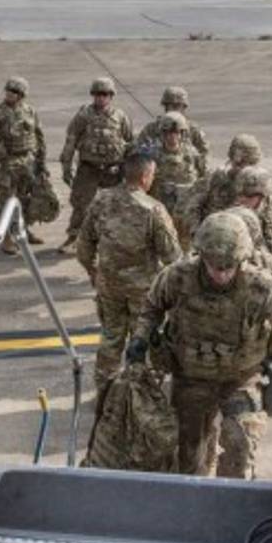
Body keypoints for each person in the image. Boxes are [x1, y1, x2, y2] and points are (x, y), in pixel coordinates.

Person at [126, 213, 272, 478]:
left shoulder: (262, 288)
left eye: (230, 266)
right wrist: (140, 338)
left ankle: (232, 498)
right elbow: (152, 307)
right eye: (215, 266)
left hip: (240, 379)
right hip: (191, 378)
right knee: (189, 457)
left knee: (239, 443)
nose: (222, 273)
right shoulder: (178, 277)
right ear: (201, 256)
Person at [77, 147, 182, 395]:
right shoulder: (153, 209)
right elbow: (172, 256)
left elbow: (83, 244)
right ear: (145, 176)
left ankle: (105, 391)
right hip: (142, 290)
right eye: (152, 175)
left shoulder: (101, 200)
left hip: (109, 285)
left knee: (111, 336)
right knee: (143, 339)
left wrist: (93, 273)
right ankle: (143, 393)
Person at [57, 77, 133, 254]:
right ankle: (74, 237)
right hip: (89, 168)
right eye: (97, 94)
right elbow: (71, 140)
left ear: (111, 96)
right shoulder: (84, 115)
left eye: (105, 94)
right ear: (93, 95)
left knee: (116, 206)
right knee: (81, 205)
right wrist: (66, 167)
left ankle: (115, 240)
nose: (101, 98)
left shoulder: (120, 116)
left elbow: (129, 142)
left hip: (112, 171)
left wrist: (128, 171)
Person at [0, 76, 47, 254]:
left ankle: (22, 231)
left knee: (25, 199)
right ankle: (6, 238)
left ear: (22, 95)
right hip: (9, 163)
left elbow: (39, 135)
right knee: (7, 200)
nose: (10, 94)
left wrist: (42, 161)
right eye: (8, 91)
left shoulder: (29, 111)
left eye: (15, 92)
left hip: (28, 162)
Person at [175, 133, 262, 247]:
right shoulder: (215, 179)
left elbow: (269, 215)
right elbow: (191, 205)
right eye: (241, 164)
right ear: (232, 159)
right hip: (213, 241)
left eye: (251, 164)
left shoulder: (258, 182)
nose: (245, 169)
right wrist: (197, 234)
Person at [231, 165, 272, 262]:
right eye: (239, 194)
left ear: (263, 196)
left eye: (249, 195)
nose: (242, 199)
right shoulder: (230, 219)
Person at [138, 86, 210, 174]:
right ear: (165, 107)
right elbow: (138, 153)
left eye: (178, 106)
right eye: (171, 106)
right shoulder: (152, 128)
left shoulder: (192, 130)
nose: (174, 109)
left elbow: (204, 154)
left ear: (184, 108)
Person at [148, 112, 202, 223]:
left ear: (182, 134)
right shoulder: (153, 155)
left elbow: (201, 177)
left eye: (176, 133)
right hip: (161, 210)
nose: (172, 136)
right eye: (168, 133)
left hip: (185, 212)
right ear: (163, 134)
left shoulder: (192, 154)